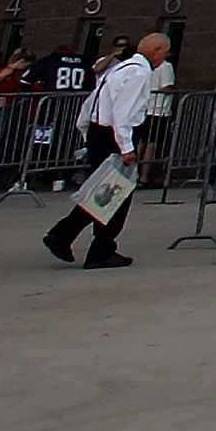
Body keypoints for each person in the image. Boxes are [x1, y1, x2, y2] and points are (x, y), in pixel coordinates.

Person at [40, 33, 165, 270]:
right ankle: (97, 247)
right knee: (115, 194)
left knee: (103, 190)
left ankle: (66, 235)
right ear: (156, 51)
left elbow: (92, 102)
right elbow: (123, 113)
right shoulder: (139, 73)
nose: (165, 58)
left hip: (100, 132)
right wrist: (126, 147)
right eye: (165, 52)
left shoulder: (118, 69)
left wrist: (86, 131)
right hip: (114, 136)